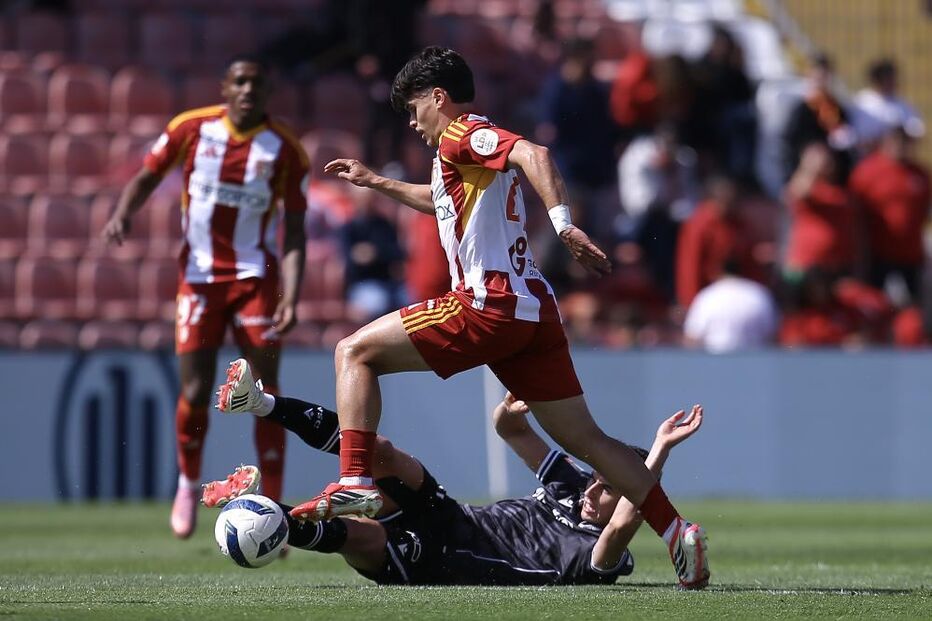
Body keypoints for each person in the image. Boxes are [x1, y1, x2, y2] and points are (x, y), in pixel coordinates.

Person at [219, 46, 709, 589]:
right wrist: (376, 181)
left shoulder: (463, 132)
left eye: (414, 108)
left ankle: (354, 479)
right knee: (588, 442)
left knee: (353, 352)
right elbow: (441, 200)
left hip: (488, 302)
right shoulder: (458, 157)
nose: (412, 122)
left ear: (438, 98)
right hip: (534, 312)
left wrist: (564, 226)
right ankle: (673, 532)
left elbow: (537, 155)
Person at [206, 359, 704, 586]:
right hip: (453, 516)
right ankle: (262, 401)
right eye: (602, 476)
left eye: (612, 488)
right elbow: (510, 431)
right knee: (379, 451)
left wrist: (657, 454)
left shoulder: (604, 561)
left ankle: (270, 518)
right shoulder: (572, 484)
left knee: (354, 539)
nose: (596, 485)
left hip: (450, 559)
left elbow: (622, 525)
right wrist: (517, 408)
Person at [102, 54, 309, 539]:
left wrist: (293, 294)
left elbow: (295, 231)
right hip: (197, 278)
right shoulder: (191, 130)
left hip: (255, 279)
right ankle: (187, 483)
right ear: (224, 87)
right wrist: (123, 212)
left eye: (257, 82)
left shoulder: (285, 149)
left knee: (264, 394)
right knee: (195, 391)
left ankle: (274, 500)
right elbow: (148, 175)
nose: (247, 90)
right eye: (239, 81)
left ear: (267, 91)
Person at [848, 126, 930, 304]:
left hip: (911, 255)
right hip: (878, 254)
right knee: (874, 302)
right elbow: (854, 211)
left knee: (916, 306)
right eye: (896, 142)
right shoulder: (867, 171)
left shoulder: (919, 174)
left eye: (905, 142)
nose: (901, 147)